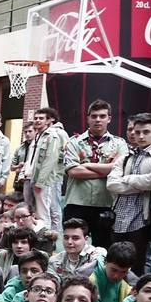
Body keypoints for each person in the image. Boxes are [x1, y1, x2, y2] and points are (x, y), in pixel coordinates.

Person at [64, 99, 127, 250]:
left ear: (109, 118)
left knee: (103, 249)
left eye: (102, 116)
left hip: (105, 204)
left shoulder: (119, 144)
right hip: (77, 203)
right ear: (88, 118)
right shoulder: (73, 142)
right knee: (74, 248)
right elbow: (73, 171)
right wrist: (107, 171)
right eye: (94, 116)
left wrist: (87, 165)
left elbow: (120, 169)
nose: (98, 119)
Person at [106, 111, 151, 275]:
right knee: (115, 260)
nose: (141, 136)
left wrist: (127, 178)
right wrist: (139, 183)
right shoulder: (126, 157)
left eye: (146, 132)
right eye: (137, 132)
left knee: (137, 265)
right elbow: (111, 184)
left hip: (141, 219)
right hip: (119, 217)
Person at [21, 107, 69, 237]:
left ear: (49, 120)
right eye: (36, 118)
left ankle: (46, 241)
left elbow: (50, 160)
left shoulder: (53, 135)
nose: (37, 121)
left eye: (41, 118)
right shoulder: (38, 136)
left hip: (45, 180)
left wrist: (40, 182)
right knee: (34, 210)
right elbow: (32, 159)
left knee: (44, 212)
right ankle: (36, 235)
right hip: (31, 177)